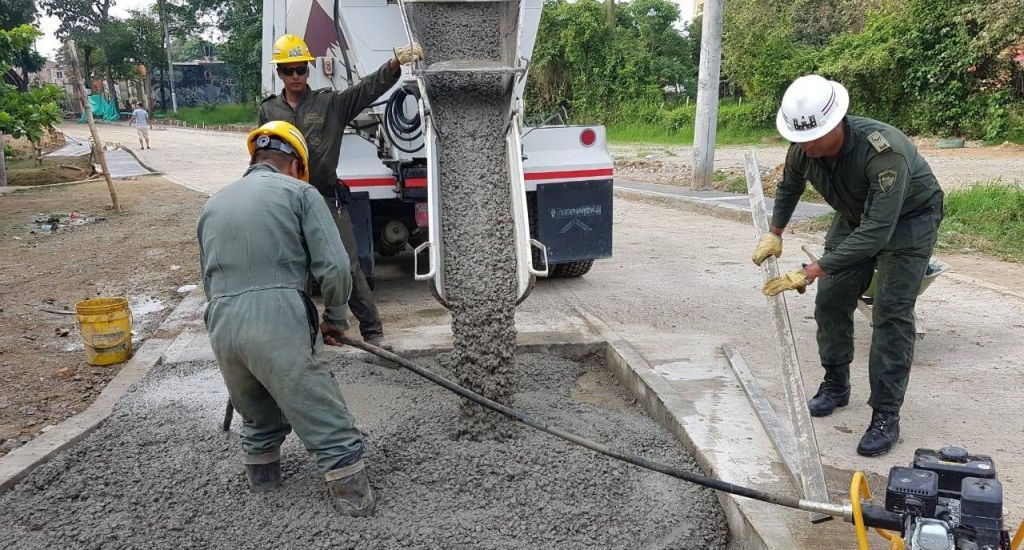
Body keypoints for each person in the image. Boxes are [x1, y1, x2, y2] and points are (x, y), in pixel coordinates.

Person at [754, 75, 944, 457]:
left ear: (836, 122)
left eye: (813, 139)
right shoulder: (803, 150)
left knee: (890, 313)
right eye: (799, 139)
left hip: (909, 221)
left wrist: (812, 268)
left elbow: (877, 232)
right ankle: (835, 385)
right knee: (830, 300)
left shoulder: (884, 152)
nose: (805, 147)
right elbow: (790, 185)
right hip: (856, 216)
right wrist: (774, 233)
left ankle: (886, 415)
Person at [197, 121, 375, 516]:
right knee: (319, 409)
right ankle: (355, 502)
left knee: (257, 411)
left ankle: (264, 487)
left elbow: (207, 278)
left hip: (222, 323)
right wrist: (336, 317)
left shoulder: (212, 204)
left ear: (255, 158)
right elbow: (335, 267)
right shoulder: (300, 193)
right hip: (275, 315)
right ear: (295, 165)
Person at [258, 34, 422, 348]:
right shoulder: (269, 111)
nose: (295, 76)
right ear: (279, 72)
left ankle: (373, 333)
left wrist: (393, 64)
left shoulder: (329, 102)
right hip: (286, 200)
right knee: (293, 269)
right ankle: (300, 337)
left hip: (325, 197)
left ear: (308, 69)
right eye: (288, 70)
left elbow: (365, 91)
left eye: (300, 69)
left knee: (347, 265)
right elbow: (262, 155)